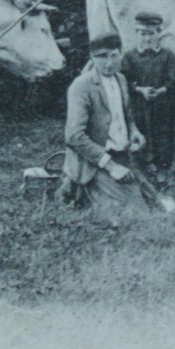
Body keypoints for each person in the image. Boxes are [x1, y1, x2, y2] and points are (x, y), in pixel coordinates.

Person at [62, 32, 152, 216]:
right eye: (102, 57)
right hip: (94, 162)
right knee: (134, 214)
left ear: (121, 53)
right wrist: (111, 166)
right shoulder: (81, 86)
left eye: (114, 55)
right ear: (92, 57)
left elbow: (126, 115)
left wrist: (134, 131)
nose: (109, 63)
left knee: (157, 201)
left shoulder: (121, 79)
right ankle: (74, 187)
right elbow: (73, 136)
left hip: (121, 155)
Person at [121, 11, 175, 186]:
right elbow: (123, 80)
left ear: (158, 34)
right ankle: (142, 170)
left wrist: (162, 90)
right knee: (140, 134)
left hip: (162, 107)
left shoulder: (167, 56)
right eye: (143, 34)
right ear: (136, 34)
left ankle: (163, 170)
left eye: (151, 34)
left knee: (164, 136)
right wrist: (139, 89)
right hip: (139, 106)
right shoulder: (130, 56)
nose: (147, 39)